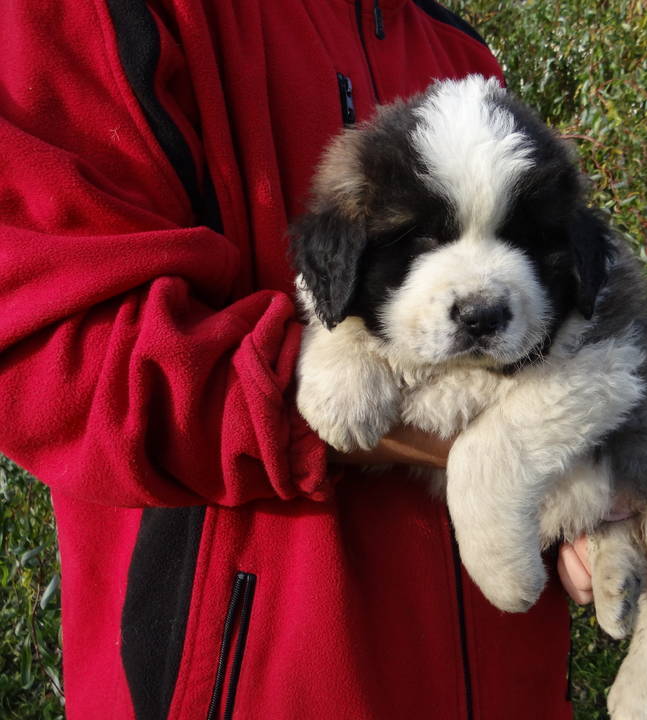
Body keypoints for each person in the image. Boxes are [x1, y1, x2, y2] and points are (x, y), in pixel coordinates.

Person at [0, 1, 597, 717]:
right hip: (271, 684)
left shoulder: (451, 45)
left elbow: (569, 302)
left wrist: (589, 483)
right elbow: (62, 357)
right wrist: (470, 425)